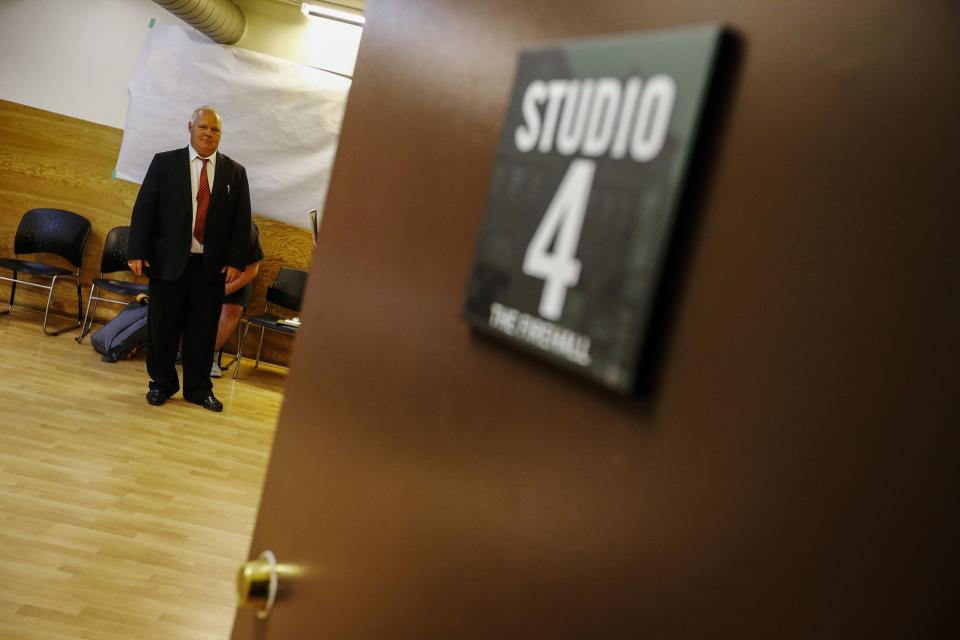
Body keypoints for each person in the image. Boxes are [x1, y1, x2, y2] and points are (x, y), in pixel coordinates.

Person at [127, 106, 252, 412]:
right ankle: (161, 384)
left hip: (209, 269)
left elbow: (241, 221)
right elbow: (145, 209)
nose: (209, 133)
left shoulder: (235, 173)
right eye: (203, 127)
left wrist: (237, 259)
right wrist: (137, 251)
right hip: (168, 263)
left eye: (215, 130)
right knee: (162, 329)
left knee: (202, 331)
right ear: (190, 128)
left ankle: (198, 389)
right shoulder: (165, 163)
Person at [211, 222, 264, 378]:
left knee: (232, 309)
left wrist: (221, 291)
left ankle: (209, 355)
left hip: (237, 273)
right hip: (202, 267)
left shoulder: (246, 228)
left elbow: (252, 269)